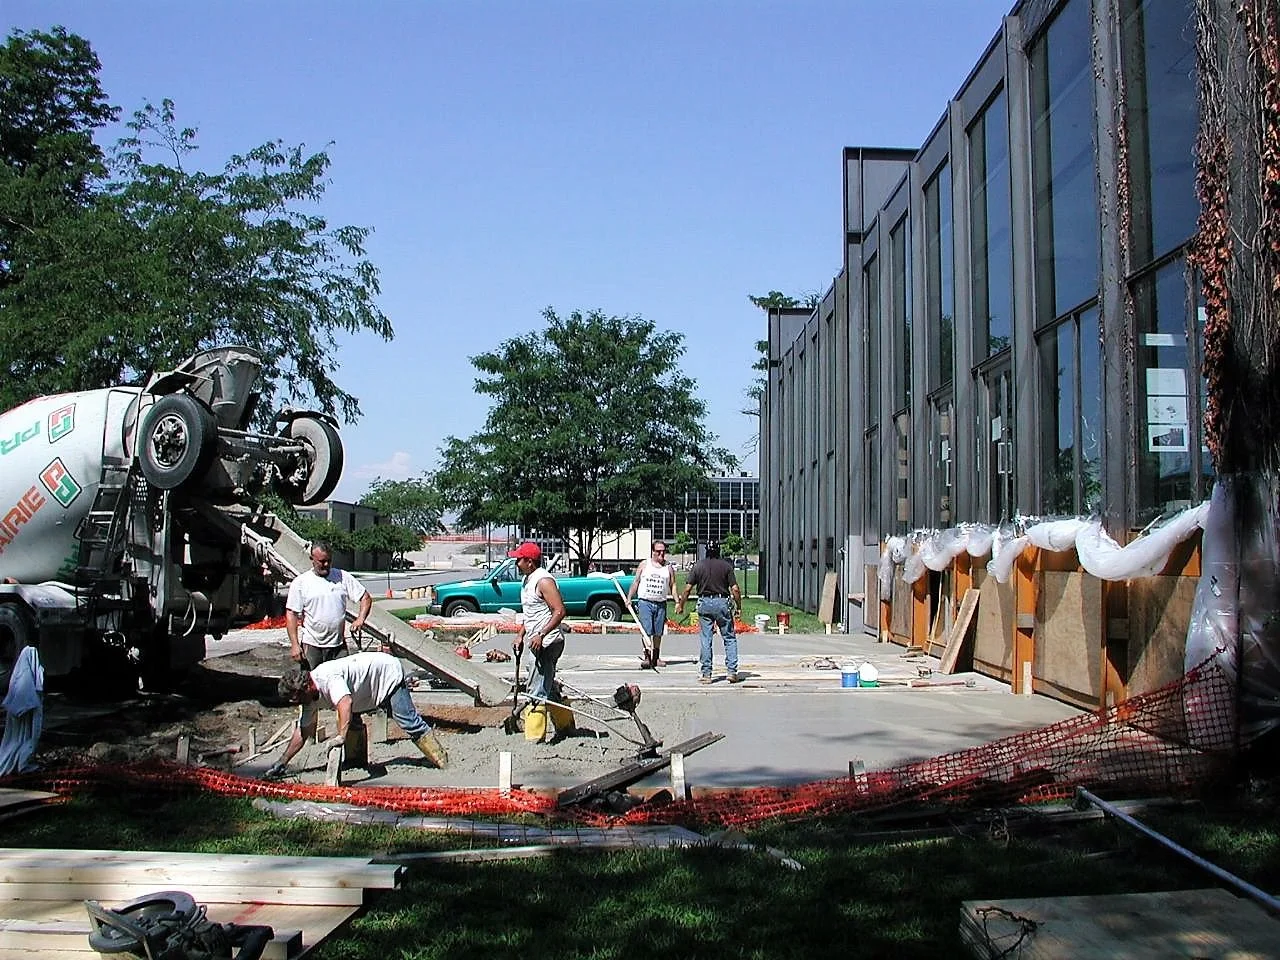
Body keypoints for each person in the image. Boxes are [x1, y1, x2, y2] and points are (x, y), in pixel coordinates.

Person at [268, 651, 448, 777]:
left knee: (407, 720)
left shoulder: (328, 678)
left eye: (297, 698)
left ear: (307, 687)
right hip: (364, 688)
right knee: (350, 721)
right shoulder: (308, 697)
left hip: (386, 673)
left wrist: (340, 737)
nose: (298, 703)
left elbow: (345, 702)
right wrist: (283, 761)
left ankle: (441, 760)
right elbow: (303, 731)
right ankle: (355, 761)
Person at [509, 541, 575, 742]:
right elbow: (532, 614)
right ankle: (566, 724)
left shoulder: (544, 581)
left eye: (519, 559)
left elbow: (560, 611)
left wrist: (542, 634)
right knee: (546, 684)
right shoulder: (527, 580)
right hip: (536, 640)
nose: (516, 563)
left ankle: (534, 737)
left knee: (536, 688)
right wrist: (521, 634)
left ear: (529, 562)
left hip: (549, 642)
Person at [286, 542, 371, 669]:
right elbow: (291, 614)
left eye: (329, 561)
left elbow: (365, 597)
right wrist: (294, 644)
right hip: (312, 646)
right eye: (322, 561)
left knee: (342, 682)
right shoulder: (301, 583)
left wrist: (360, 619)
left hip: (338, 646)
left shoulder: (342, 577)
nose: (326, 564)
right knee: (312, 684)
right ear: (312, 560)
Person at [676, 543, 743, 684]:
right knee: (729, 638)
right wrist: (738, 607)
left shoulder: (698, 566)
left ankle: (707, 674)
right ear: (719, 550)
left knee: (706, 639)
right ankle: (731, 672)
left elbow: (687, 589)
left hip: (704, 603)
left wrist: (681, 605)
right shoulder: (726, 566)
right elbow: (735, 589)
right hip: (722, 602)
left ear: (706, 551)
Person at [627, 540, 675, 668]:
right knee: (646, 630)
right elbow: (636, 582)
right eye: (658, 551)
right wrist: (629, 597)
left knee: (658, 632)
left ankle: (656, 657)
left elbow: (673, 585)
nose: (661, 554)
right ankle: (647, 657)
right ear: (652, 552)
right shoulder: (644, 564)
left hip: (660, 603)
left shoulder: (668, 567)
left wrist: (677, 602)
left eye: (663, 551)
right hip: (645, 602)